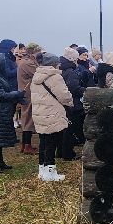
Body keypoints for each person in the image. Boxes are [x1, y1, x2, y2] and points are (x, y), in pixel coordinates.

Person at [30, 52, 73, 182]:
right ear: (54, 64)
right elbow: (64, 95)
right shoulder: (54, 77)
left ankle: (42, 170)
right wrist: (71, 102)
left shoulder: (36, 75)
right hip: (52, 114)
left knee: (43, 142)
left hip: (40, 113)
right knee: (52, 142)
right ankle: (50, 171)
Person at [59, 47, 85, 159]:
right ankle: (68, 154)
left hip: (66, 103)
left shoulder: (63, 69)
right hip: (73, 104)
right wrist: (84, 90)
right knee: (70, 129)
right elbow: (73, 88)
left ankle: (61, 152)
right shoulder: (71, 72)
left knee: (65, 129)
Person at [17, 43, 42, 154]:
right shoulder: (28, 63)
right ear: (33, 52)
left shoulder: (24, 61)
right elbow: (39, 74)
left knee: (26, 118)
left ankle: (25, 145)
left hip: (25, 93)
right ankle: (27, 146)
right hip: (28, 94)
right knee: (28, 120)